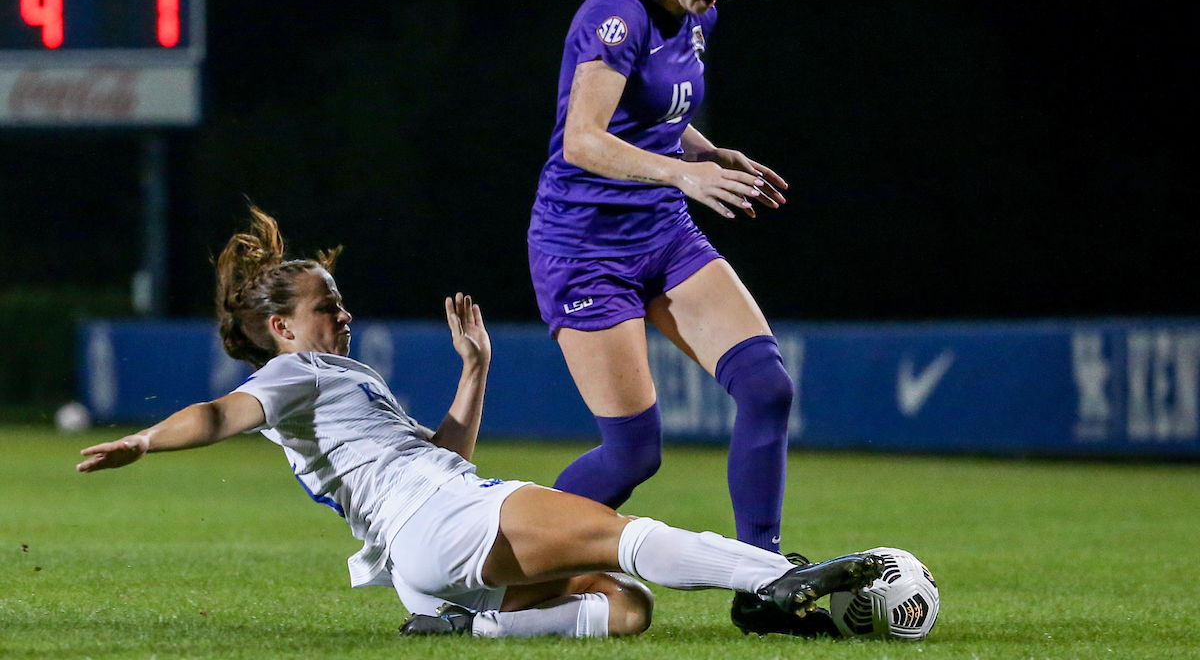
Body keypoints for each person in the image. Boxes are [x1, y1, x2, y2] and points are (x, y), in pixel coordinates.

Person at [77, 207, 882, 639]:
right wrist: (145, 439)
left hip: (428, 545)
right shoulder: (293, 372)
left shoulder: (337, 377)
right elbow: (221, 412)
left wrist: (476, 370)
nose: (343, 311)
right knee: (620, 534)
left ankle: (471, 627)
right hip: (444, 517)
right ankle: (775, 579)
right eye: (328, 305)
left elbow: (437, 453)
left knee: (625, 608)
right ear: (283, 328)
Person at [526, 0, 807, 635]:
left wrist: (712, 153)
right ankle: (505, 567)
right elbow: (585, 139)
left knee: (766, 388)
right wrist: (685, 173)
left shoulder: (696, 13)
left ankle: (763, 582)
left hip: (661, 229)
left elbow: (656, 117)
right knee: (632, 454)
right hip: (585, 248)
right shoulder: (614, 17)